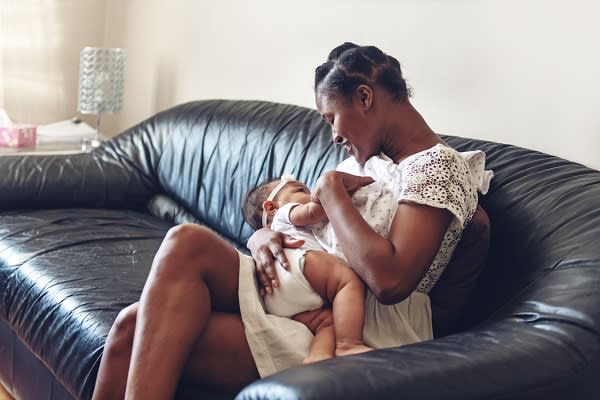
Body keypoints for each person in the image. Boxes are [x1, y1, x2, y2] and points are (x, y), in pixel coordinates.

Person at [91, 42, 493, 400]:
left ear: (365, 97)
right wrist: (263, 234)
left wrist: (332, 190)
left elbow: (389, 281)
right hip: (306, 291)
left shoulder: (437, 167)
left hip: (358, 326)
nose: (333, 135)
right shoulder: (368, 161)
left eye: (331, 117)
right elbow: (308, 220)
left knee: (136, 327)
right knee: (151, 291)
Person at [242, 174, 375, 363]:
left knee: (327, 322)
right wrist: (338, 193)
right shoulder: (284, 213)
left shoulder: (277, 227)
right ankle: (349, 344)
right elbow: (315, 211)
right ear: (271, 207)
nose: (311, 194)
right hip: (295, 266)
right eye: (300, 190)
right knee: (347, 281)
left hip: (276, 297)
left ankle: (317, 357)